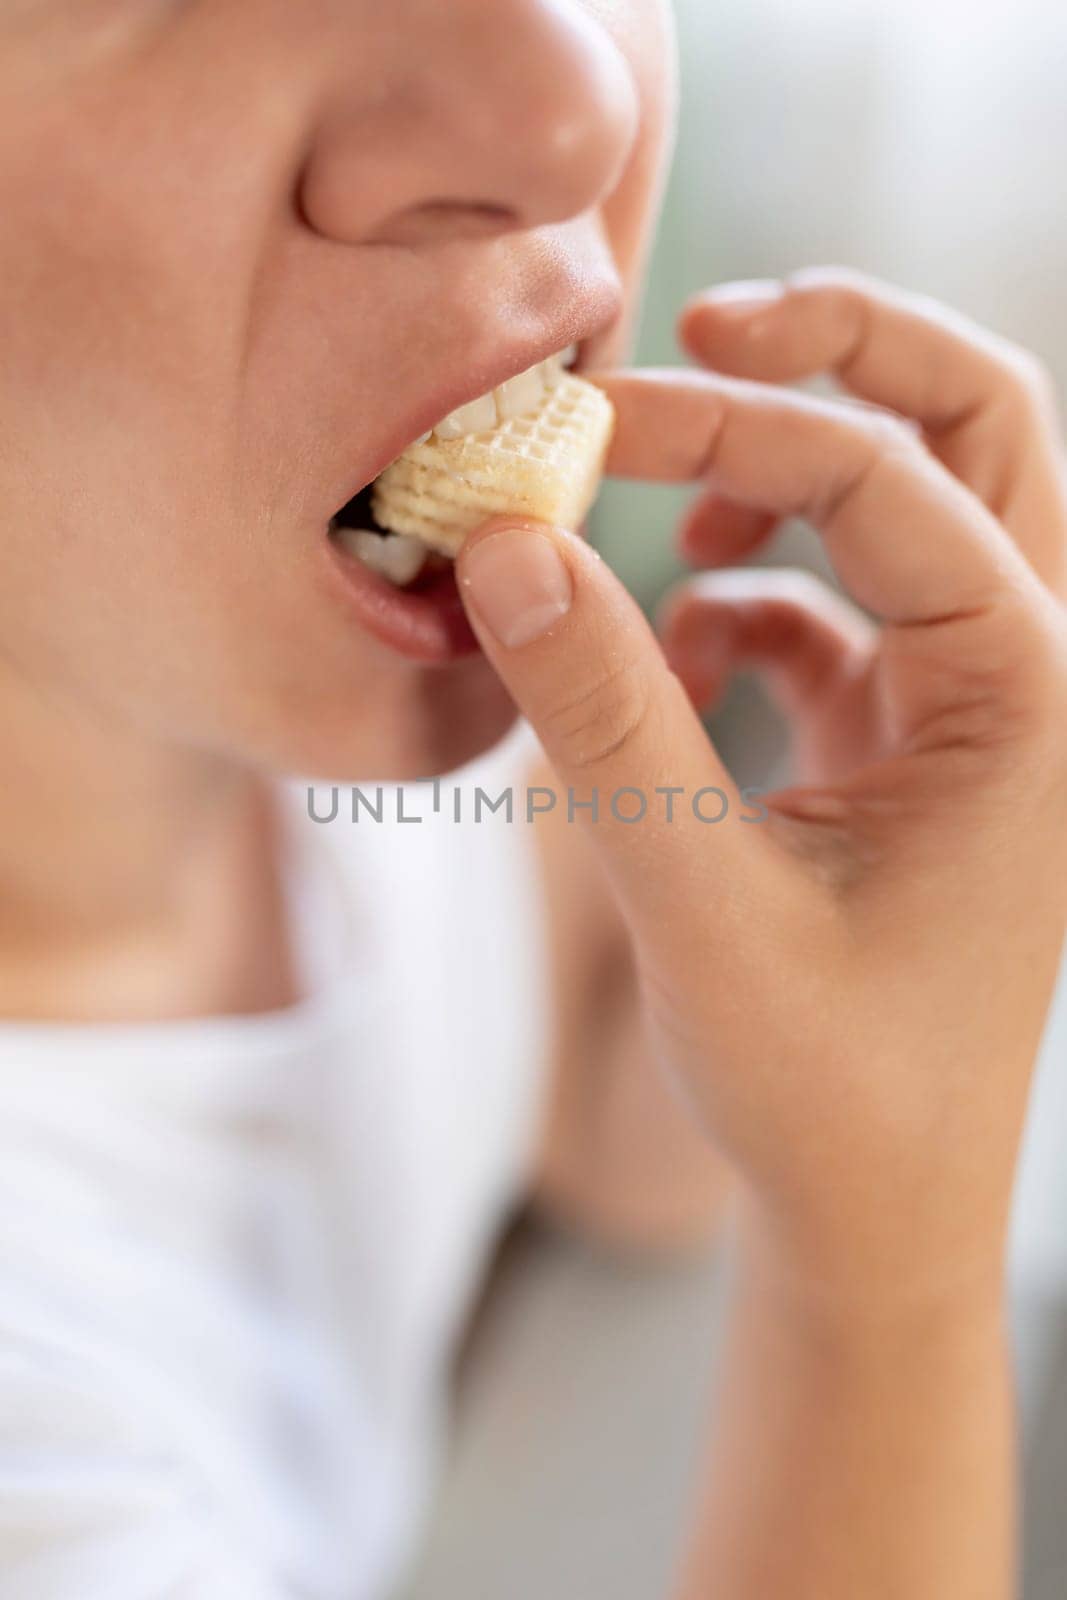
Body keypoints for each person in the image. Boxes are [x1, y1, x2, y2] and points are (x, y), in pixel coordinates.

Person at [0, 2, 1064, 1596]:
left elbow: (602, 1116)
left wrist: (824, 922)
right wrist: (887, 1286)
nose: (574, 97)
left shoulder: (314, 721)